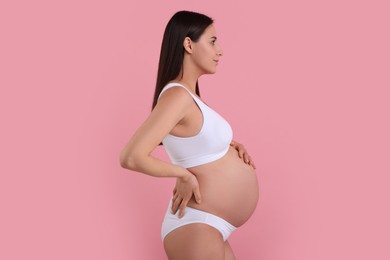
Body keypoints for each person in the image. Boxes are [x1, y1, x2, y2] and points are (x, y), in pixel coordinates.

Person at [120, 10, 259, 260]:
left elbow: (194, 141)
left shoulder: (189, 96)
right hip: (196, 225)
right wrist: (182, 174)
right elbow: (131, 156)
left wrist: (228, 146)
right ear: (188, 44)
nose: (220, 51)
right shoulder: (177, 96)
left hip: (209, 225)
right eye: (212, 41)